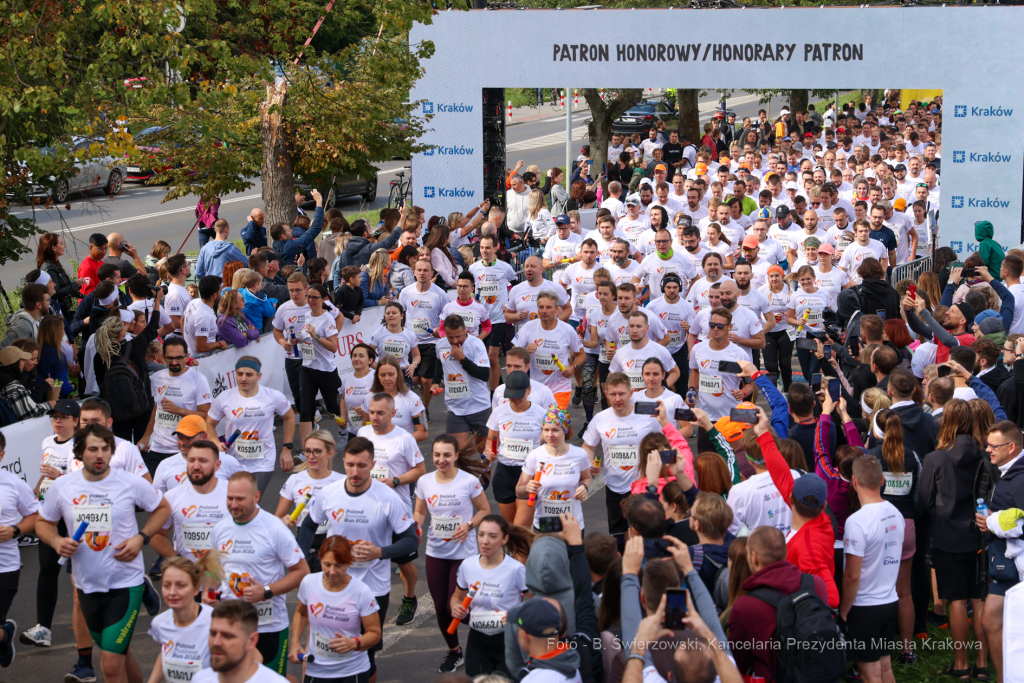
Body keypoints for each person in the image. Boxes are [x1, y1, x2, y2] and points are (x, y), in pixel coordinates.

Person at [37, 423, 171, 683]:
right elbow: (43, 522)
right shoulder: (63, 486)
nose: (100, 455)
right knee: (120, 654)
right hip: (87, 586)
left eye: (105, 449)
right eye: (93, 449)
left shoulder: (129, 482)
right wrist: (56, 541)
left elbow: (163, 507)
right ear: (79, 452)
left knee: (110, 666)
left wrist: (141, 538)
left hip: (125, 583)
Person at [300, 437, 420, 679]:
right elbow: (309, 525)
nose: (355, 472)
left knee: (366, 655)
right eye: (350, 465)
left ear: (373, 464)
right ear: (343, 462)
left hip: (372, 587)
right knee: (328, 646)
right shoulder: (329, 494)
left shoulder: (388, 498)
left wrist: (380, 552)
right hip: (334, 584)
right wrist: (301, 561)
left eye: (362, 466)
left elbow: (411, 540)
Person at [206, 472, 310, 676]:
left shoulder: (274, 528)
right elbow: (215, 569)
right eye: (230, 498)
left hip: (268, 627)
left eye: (240, 499)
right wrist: (208, 592)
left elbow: (301, 571)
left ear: (256, 497)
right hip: (232, 626)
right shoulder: (220, 529)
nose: (233, 504)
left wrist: (266, 591)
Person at [920, 399, 991, 678]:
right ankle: (982, 663)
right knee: (979, 599)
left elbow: (925, 500)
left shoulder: (935, 459)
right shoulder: (984, 456)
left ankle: (961, 664)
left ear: (945, 422)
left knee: (957, 601)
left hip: (947, 536)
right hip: (980, 536)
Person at [413, 435, 490, 672]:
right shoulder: (425, 481)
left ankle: (494, 628)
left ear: (456, 456)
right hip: (436, 552)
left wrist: (468, 525)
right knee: (440, 608)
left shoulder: (469, 481)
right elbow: (420, 511)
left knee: (452, 607)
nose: (441, 460)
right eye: (437, 455)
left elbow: (484, 509)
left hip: (463, 555)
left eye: (447, 455)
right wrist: (416, 526)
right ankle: (455, 652)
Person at [727, 526, 832, 683]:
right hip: (820, 675)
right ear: (786, 552)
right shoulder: (817, 584)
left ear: (754, 557)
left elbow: (736, 663)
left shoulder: (744, 607)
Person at [840, 456, 905, 683]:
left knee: (869, 673)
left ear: (854, 481)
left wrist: (843, 612)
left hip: (864, 608)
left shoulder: (856, 521)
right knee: (884, 667)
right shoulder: (896, 513)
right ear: (882, 480)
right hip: (889, 602)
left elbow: (852, 576)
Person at [289, 535, 381, 683]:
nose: (332, 571)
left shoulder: (361, 591)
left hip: (352, 670)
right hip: (317, 669)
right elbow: (301, 612)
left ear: (349, 562)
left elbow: (375, 633)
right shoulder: (309, 582)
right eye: (327, 564)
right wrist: (295, 643)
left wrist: (353, 643)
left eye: (338, 566)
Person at [206, 357, 296, 495]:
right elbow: (209, 424)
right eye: (239, 374)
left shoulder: (273, 396)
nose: (243, 378)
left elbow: (289, 417)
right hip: (233, 461)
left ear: (259, 376)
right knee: (232, 502)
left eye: (249, 374)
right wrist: (216, 442)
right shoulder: (225, 398)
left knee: (250, 501)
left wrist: (287, 449)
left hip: (262, 462)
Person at [583, 373, 660, 534]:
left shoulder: (647, 415)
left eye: (622, 394)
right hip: (614, 487)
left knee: (644, 535)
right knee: (618, 537)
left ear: (631, 393)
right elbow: (588, 447)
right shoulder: (600, 418)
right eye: (613, 394)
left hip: (643, 486)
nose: (617, 399)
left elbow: (663, 443)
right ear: (606, 394)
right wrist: (588, 463)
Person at [451, 514, 527, 678]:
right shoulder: (468, 565)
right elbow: (457, 597)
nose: (485, 541)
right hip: (478, 641)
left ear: (504, 539)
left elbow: (537, 603)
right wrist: (455, 607)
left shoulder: (516, 569)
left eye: (492, 536)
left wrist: (517, 615)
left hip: (508, 642)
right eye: (481, 534)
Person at [138, 336, 213, 475]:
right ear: (162, 357)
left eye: (179, 358)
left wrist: (178, 410)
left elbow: (206, 415)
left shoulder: (198, 380)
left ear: (187, 357)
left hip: (184, 449)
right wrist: (146, 436)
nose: (174, 362)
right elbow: (157, 408)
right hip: (157, 448)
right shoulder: (156, 378)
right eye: (170, 358)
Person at [486, 371, 550, 525]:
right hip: (504, 473)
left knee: (520, 528)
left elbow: (552, 440)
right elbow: (490, 439)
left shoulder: (541, 414)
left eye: (519, 396)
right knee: (509, 527)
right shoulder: (499, 412)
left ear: (529, 390)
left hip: (529, 474)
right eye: (511, 396)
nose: (515, 400)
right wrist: (489, 452)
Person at [151, 440, 230, 562]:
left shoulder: (233, 493)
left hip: (226, 571)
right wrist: (180, 562)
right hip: (189, 572)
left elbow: (254, 528)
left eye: (203, 461)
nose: (196, 466)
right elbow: (155, 534)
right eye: (191, 460)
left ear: (217, 465)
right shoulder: (172, 496)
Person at [147, 554, 220, 683]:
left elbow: (250, 660)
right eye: (167, 585)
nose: (172, 592)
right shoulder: (159, 624)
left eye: (180, 585)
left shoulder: (215, 622)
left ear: (196, 588)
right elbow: (165, 653)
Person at [687, 307, 750, 452]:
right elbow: (695, 371)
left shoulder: (739, 354)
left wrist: (743, 393)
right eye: (712, 325)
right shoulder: (698, 349)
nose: (715, 329)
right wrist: (691, 391)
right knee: (706, 461)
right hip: (706, 417)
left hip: (730, 417)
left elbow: (749, 384)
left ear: (729, 327)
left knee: (732, 460)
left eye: (720, 326)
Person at [520, 405, 591, 531]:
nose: (550, 435)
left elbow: (586, 478)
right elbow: (518, 491)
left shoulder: (579, 454)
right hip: (545, 524)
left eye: (555, 430)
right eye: (546, 430)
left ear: (565, 430)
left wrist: (584, 487)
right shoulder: (535, 455)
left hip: (572, 525)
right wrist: (526, 488)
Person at [0, 431, 38, 666]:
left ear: (1, 455)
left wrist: (14, 530)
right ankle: (4, 635)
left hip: (4, 568)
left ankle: (4, 635)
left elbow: (36, 515)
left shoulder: (13, 484)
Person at [512, 291, 585, 411]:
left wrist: (573, 368)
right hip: (535, 389)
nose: (544, 311)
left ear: (557, 310)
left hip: (560, 389)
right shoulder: (529, 327)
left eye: (548, 307)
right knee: (538, 422)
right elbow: (513, 354)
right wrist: (525, 351)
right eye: (541, 307)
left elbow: (581, 354)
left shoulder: (567, 330)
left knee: (553, 421)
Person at [434, 314, 494, 449]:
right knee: (456, 455)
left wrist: (462, 359)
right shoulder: (440, 345)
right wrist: (435, 381)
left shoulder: (476, 344)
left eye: (458, 336)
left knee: (485, 454)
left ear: (465, 329)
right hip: (455, 409)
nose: (455, 341)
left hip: (479, 406)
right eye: (450, 337)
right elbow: (439, 362)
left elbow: (484, 375)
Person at [399, 259, 448, 418]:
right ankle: (407, 408)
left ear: (431, 273)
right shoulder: (406, 292)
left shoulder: (440, 294)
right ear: (414, 272)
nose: (422, 273)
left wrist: (439, 330)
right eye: (419, 270)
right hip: (410, 343)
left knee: (426, 380)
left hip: (431, 342)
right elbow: (400, 314)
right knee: (409, 379)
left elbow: (447, 318)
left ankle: (424, 410)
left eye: (426, 270)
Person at [471, 235, 519, 389]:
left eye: (488, 247)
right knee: (485, 358)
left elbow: (516, 285)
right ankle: (499, 386)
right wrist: (472, 297)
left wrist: (509, 302)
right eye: (482, 247)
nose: (484, 250)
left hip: (498, 319)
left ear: (495, 248)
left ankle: (493, 394)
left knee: (492, 358)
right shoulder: (473, 268)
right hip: (481, 320)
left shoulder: (504, 267)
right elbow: (470, 287)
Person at [297, 283, 340, 445]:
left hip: (326, 370)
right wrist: (297, 340)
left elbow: (333, 347)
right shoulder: (307, 315)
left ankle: (347, 431)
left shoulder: (327, 319)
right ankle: (305, 448)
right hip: (308, 368)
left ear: (323, 299)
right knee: (305, 409)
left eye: (315, 297)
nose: (311, 300)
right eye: (308, 296)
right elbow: (305, 337)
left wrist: (316, 336)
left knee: (333, 409)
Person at [151, 415, 240, 494]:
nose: (183, 442)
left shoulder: (226, 461)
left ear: (204, 437)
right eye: (180, 438)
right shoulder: (165, 465)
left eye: (188, 438)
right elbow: (157, 502)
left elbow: (244, 489)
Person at [272, 273, 312, 423]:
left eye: (298, 290)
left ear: (306, 289)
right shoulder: (284, 308)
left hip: (315, 357)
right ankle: (309, 423)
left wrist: (331, 338)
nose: (294, 294)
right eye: (291, 290)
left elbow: (338, 317)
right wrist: (283, 342)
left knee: (319, 394)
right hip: (294, 358)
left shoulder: (316, 305)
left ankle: (312, 420)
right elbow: (277, 330)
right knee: (299, 395)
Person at [360, 355, 428, 442]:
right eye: (382, 375)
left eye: (391, 374)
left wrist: (398, 442)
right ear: (377, 376)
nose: (387, 379)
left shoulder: (412, 398)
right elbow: (365, 426)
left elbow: (423, 433)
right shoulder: (370, 397)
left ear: (398, 374)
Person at [608, 311, 679, 392]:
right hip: (630, 399)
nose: (634, 330)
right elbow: (611, 376)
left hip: (652, 399)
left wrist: (660, 390)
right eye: (631, 326)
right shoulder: (621, 353)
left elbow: (675, 372)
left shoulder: (659, 350)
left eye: (639, 326)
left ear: (647, 328)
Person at [0, 346, 57, 420]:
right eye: (22, 360)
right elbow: (29, 413)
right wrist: (49, 404)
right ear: (16, 364)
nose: (24, 362)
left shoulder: (5, 381)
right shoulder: (14, 386)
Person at [37, 233, 85, 321]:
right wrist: (75, 284)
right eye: (62, 243)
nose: (64, 246)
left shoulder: (55, 263)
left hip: (64, 310)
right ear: (54, 248)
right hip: (59, 314)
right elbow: (55, 292)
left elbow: (65, 287)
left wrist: (84, 296)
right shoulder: (49, 268)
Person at [271, 190, 324, 268]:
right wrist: (319, 201)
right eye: (288, 230)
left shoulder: (273, 248)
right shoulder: (291, 246)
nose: (291, 230)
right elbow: (315, 228)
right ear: (283, 236)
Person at [337, 343, 378, 440]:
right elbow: (343, 399)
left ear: (370, 360)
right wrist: (343, 416)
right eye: (354, 356)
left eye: (361, 356)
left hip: (374, 432)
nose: (356, 359)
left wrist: (368, 411)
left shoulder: (377, 377)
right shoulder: (347, 379)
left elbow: (387, 401)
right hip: (354, 432)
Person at [369, 303, 421, 374]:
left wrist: (413, 365)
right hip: (384, 372)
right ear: (385, 316)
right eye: (388, 313)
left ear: (402, 316)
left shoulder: (410, 334)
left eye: (394, 313)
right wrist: (378, 368)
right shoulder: (378, 333)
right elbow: (368, 355)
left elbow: (416, 355)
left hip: (403, 372)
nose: (390, 315)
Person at [183, 276, 227, 357]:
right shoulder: (204, 316)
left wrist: (187, 343)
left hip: (191, 356)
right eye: (220, 290)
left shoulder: (193, 302)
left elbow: (182, 320)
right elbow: (201, 347)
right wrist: (218, 344)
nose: (221, 293)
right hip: (201, 361)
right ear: (214, 295)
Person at [439, 272, 491, 340]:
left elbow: (487, 326)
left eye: (465, 286)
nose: (462, 289)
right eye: (459, 286)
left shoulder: (479, 308)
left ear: (472, 289)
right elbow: (441, 328)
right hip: (454, 344)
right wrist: (448, 340)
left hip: (472, 345)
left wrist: (479, 339)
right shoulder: (448, 307)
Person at [0, 283, 49, 348]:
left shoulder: (38, 320)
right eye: (47, 300)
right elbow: (3, 350)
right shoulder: (22, 326)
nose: (49, 303)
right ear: (38, 304)